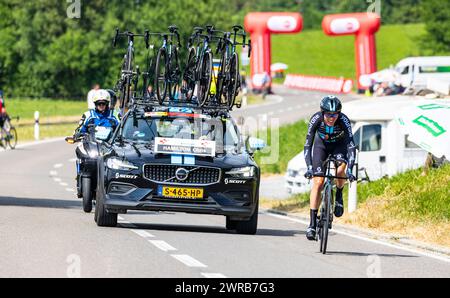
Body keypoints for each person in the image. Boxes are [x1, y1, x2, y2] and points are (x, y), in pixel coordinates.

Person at [303, 95, 357, 241]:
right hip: (321, 147)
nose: (331, 117)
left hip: (339, 147)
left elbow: (351, 146)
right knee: (318, 182)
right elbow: (308, 145)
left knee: (340, 171)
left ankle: (339, 194)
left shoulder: (344, 121)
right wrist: (309, 167)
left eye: (334, 114)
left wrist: (350, 170)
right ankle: (312, 224)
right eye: (328, 114)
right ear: (322, 112)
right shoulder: (316, 119)